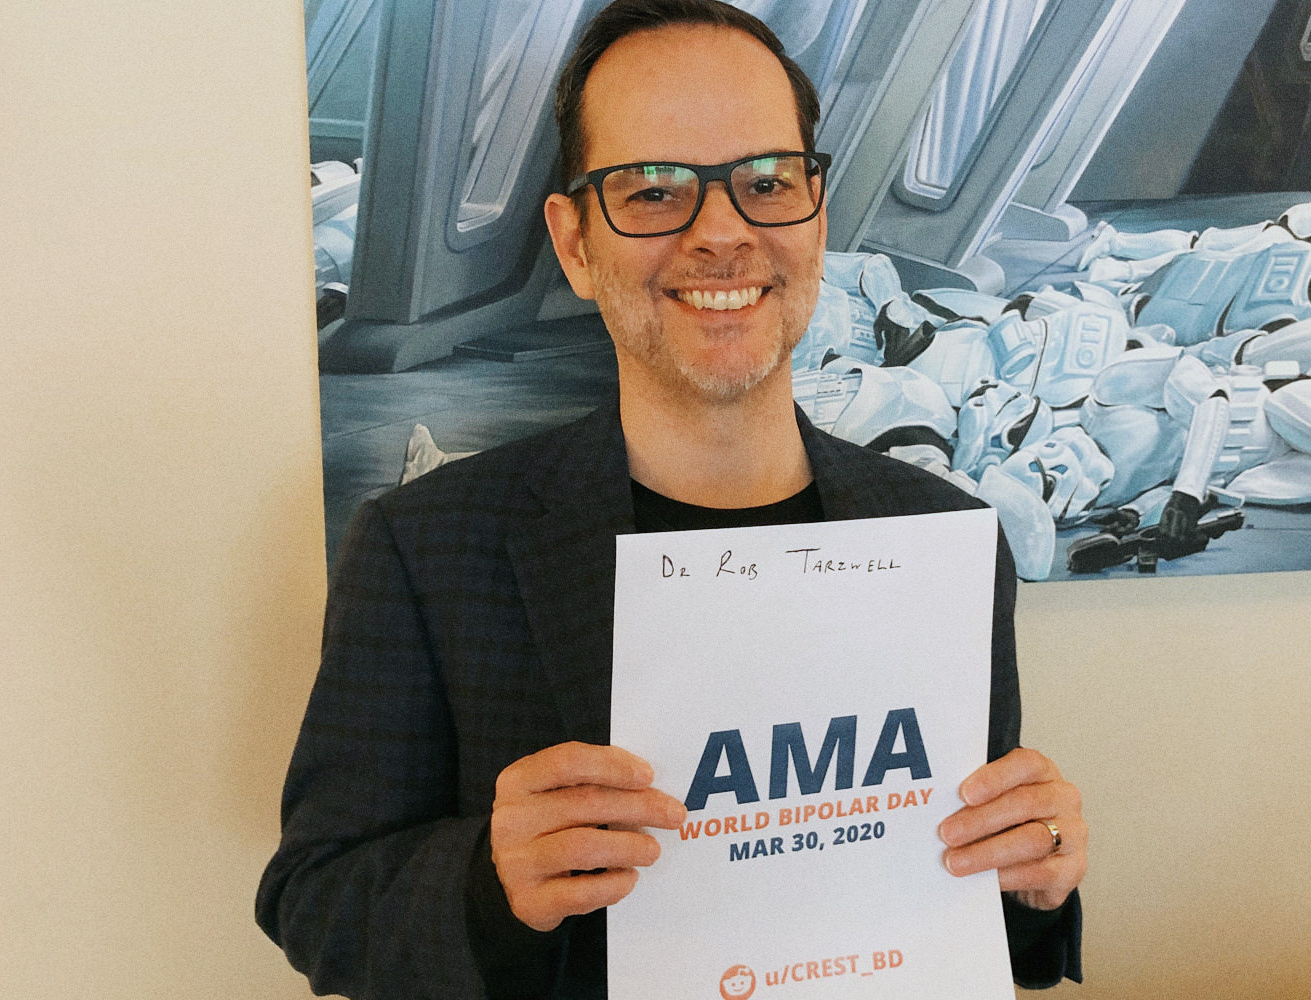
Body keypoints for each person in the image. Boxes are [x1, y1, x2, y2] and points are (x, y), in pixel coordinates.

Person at [257, 2, 1086, 996]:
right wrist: (489, 878)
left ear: (815, 216)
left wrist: (1032, 880)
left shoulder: (943, 541)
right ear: (573, 242)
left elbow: (969, 913)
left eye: (765, 182)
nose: (722, 233)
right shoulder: (425, 549)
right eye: (651, 192)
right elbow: (314, 899)